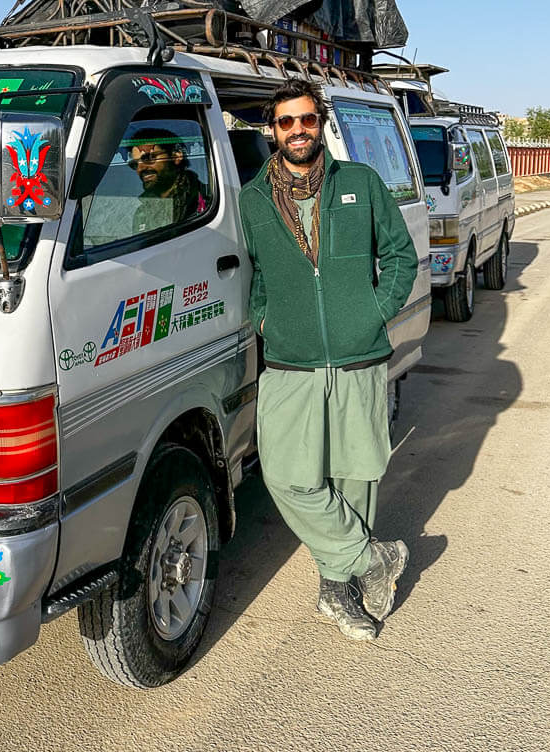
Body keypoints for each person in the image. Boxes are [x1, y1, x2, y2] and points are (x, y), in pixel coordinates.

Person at [238, 80, 418, 641]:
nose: (298, 130)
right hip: (291, 363)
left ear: (321, 123)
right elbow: (255, 276)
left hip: (359, 357)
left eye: (308, 120)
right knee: (288, 477)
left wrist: (373, 312)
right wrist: (265, 318)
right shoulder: (252, 200)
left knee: (356, 476)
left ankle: (336, 589)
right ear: (273, 129)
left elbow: (400, 257)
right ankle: (372, 559)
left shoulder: (359, 184)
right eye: (286, 122)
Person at [128, 128, 208, 234]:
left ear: (176, 156)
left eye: (148, 158)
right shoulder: (143, 212)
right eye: (135, 164)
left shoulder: (205, 199)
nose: (140, 169)